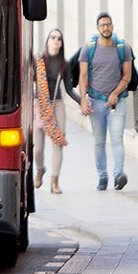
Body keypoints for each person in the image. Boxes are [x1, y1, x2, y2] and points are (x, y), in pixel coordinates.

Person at [78, 13, 134, 190]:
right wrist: (83, 100)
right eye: (102, 25)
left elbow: (127, 76)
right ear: (97, 28)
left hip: (117, 103)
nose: (106, 28)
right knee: (99, 141)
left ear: (112, 26)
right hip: (95, 101)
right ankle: (102, 177)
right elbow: (83, 76)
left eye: (108, 24)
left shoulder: (123, 47)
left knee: (117, 138)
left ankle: (118, 175)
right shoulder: (88, 48)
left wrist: (116, 93)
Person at [30, 29, 79, 194]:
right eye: (53, 37)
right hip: (39, 104)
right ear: (48, 40)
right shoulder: (37, 60)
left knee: (58, 140)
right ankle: (40, 169)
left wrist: (82, 102)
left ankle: (54, 181)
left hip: (57, 104)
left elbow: (70, 90)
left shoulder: (64, 64)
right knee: (37, 147)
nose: (56, 40)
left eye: (59, 38)